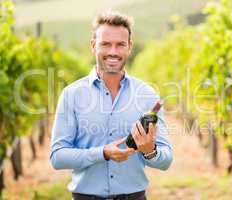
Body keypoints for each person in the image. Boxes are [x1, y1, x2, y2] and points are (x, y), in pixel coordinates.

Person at [50, 11, 173, 200]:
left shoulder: (148, 95)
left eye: (120, 44)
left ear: (129, 47)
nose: (113, 52)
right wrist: (102, 153)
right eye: (105, 44)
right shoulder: (71, 95)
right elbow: (58, 157)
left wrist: (150, 151)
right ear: (93, 46)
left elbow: (166, 160)